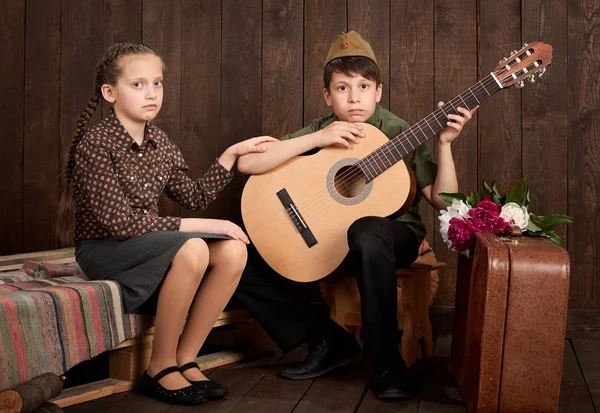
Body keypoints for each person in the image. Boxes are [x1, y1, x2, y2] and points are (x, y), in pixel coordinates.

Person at [235, 31, 477, 399]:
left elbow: (442, 200)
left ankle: (386, 364)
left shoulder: (399, 132)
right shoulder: (321, 128)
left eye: (364, 86)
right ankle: (328, 339)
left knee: (366, 230)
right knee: (237, 256)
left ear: (378, 92)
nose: (354, 97)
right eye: (343, 88)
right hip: (330, 239)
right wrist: (317, 140)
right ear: (327, 95)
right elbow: (249, 161)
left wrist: (444, 144)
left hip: (391, 238)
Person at [56, 42, 276, 406]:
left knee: (233, 250)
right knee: (192, 246)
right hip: (106, 249)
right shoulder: (95, 144)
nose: (151, 94)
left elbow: (194, 196)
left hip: (147, 241)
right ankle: (159, 366)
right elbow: (121, 223)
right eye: (138, 84)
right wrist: (204, 226)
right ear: (110, 93)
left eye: (157, 83)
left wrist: (231, 154)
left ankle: (186, 359)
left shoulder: (160, 141)